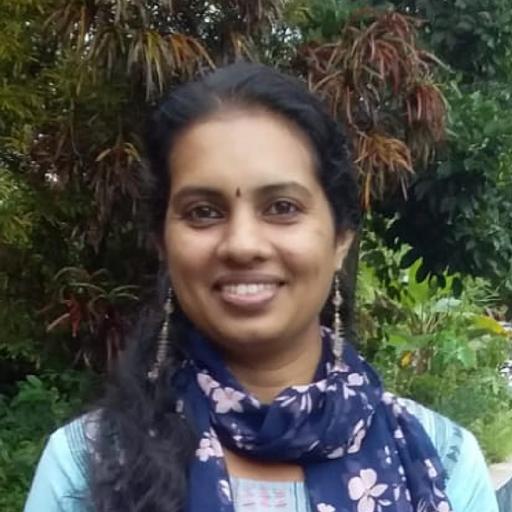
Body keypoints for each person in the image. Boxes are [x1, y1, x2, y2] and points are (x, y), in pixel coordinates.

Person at [25, 63, 498, 512]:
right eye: (203, 212)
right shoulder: (86, 469)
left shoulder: (442, 460)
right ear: (163, 244)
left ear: (340, 240)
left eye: (282, 207)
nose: (242, 245)